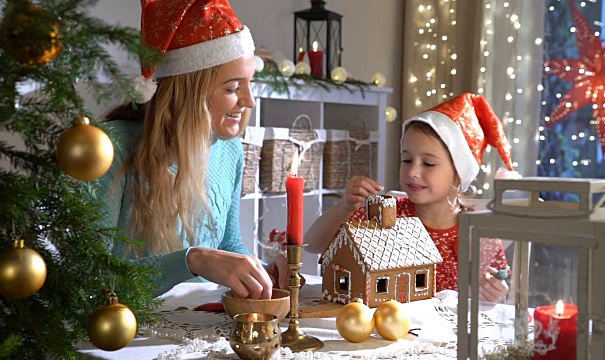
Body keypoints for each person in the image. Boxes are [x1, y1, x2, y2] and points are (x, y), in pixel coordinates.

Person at [96, 0, 288, 299]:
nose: (249, 101)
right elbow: (90, 277)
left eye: (250, 83)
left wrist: (263, 270)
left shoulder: (230, 150)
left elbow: (227, 246)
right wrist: (192, 260)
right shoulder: (109, 148)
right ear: (189, 91)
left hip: (194, 324)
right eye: (233, 88)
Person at [305, 93, 516, 303]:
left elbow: (493, 288)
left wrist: (495, 293)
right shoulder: (385, 214)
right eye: (407, 160)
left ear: (459, 172)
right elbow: (312, 245)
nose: (413, 171)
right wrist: (346, 206)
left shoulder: (477, 233)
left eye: (428, 164)